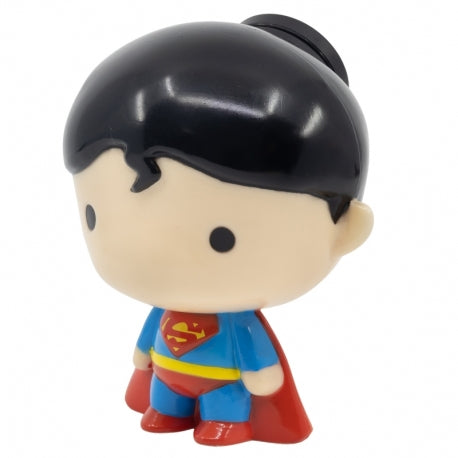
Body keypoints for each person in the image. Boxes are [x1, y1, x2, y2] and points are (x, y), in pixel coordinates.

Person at [64, 14, 373, 446]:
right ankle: (167, 410)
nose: (149, 247)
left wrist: (261, 375)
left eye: (221, 238)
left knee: (224, 401)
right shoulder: (163, 308)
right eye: (95, 216)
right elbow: (149, 342)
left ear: (345, 229)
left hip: (222, 387)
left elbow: (257, 361)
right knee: (165, 397)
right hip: (168, 380)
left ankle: (226, 421)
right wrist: (142, 356)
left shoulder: (237, 324)